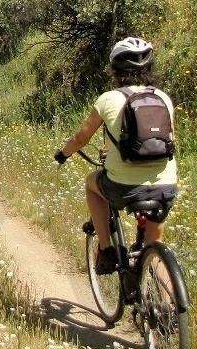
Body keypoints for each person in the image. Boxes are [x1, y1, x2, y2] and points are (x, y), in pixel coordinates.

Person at [53, 37, 179, 275]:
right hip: (165, 186)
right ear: (149, 68)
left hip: (123, 187)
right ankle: (168, 295)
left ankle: (106, 249)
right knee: (154, 247)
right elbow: (168, 141)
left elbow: (81, 138)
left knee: (92, 184)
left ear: (115, 69)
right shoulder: (164, 98)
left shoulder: (108, 99)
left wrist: (63, 154)